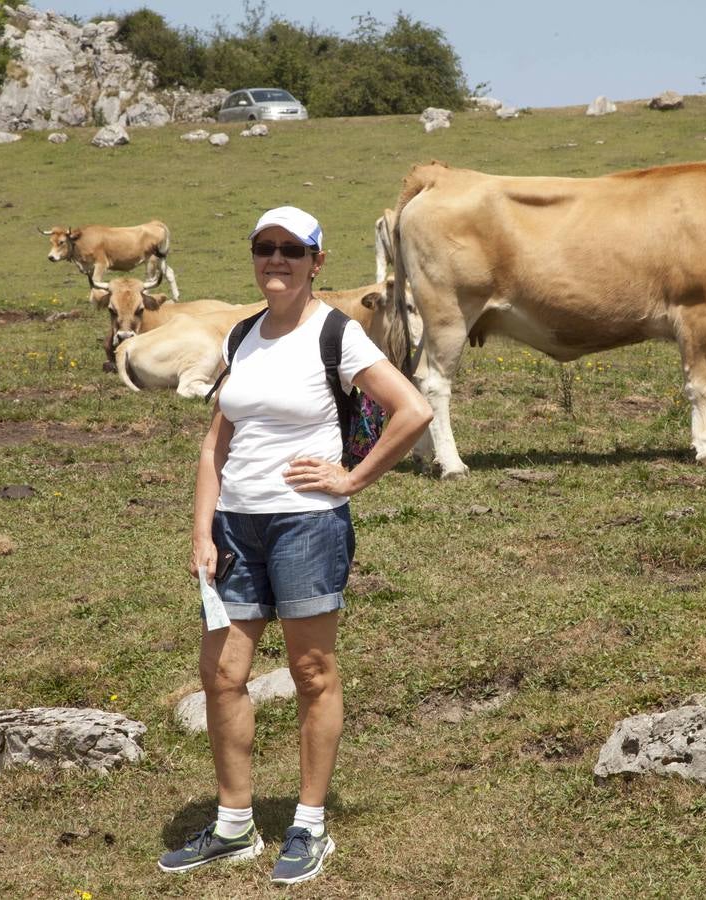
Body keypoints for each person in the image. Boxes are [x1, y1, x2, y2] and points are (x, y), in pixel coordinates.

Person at [158, 206, 432, 885]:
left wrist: (353, 477)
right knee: (221, 677)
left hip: (307, 527)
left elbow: (413, 410)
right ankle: (233, 825)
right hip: (235, 530)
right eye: (264, 248)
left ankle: (309, 824)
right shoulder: (242, 334)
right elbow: (214, 441)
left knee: (312, 675)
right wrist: (201, 527)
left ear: (316, 261)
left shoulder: (337, 334)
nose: (275, 260)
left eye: (290, 250)